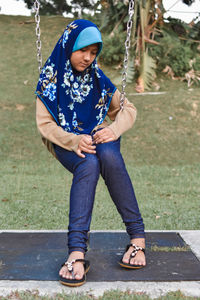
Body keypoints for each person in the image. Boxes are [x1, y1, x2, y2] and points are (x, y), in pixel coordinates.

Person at [35, 19, 146, 287]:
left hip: (97, 134)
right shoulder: (50, 77)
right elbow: (44, 124)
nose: (88, 58)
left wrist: (115, 130)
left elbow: (127, 109)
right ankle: (76, 252)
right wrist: (73, 141)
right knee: (89, 164)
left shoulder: (97, 78)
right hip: (66, 141)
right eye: (83, 50)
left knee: (107, 154)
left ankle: (138, 240)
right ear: (69, 46)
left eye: (94, 52)